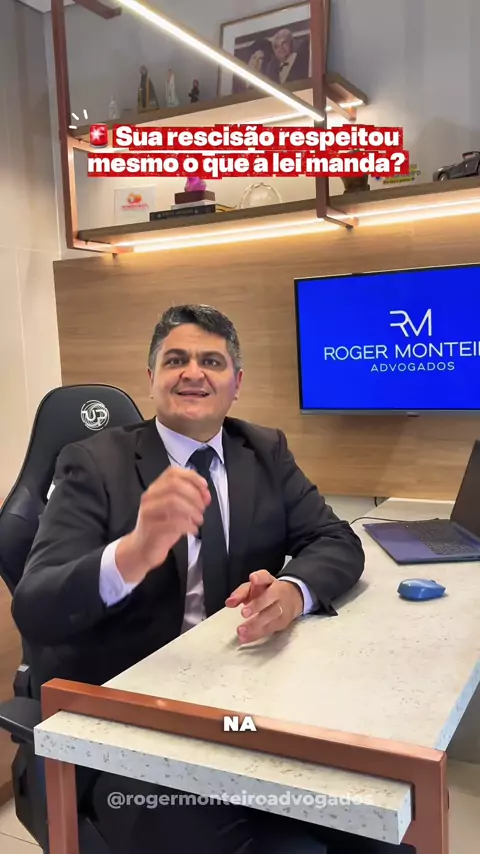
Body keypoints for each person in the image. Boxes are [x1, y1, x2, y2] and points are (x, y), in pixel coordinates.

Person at [13, 305, 365, 854]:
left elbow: (336, 540)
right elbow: (35, 606)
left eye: (212, 361)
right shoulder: (91, 464)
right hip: (125, 721)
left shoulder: (264, 451)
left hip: (240, 702)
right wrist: (132, 554)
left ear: (236, 384)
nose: (193, 372)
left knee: (374, 822)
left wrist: (292, 593)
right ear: (151, 378)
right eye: (175, 360)